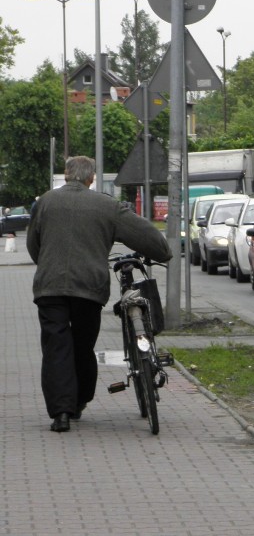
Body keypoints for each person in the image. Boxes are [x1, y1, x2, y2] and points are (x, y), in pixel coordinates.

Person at [26, 156, 172, 433]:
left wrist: (47, 265)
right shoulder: (106, 206)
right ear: (91, 178)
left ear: (67, 175)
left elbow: (34, 244)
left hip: (50, 287)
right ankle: (79, 401)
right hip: (89, 288)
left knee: (56, 347)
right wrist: (163, 253)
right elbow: (145, 235)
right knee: (82, 347)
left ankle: (61, 414)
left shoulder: (44, 202)